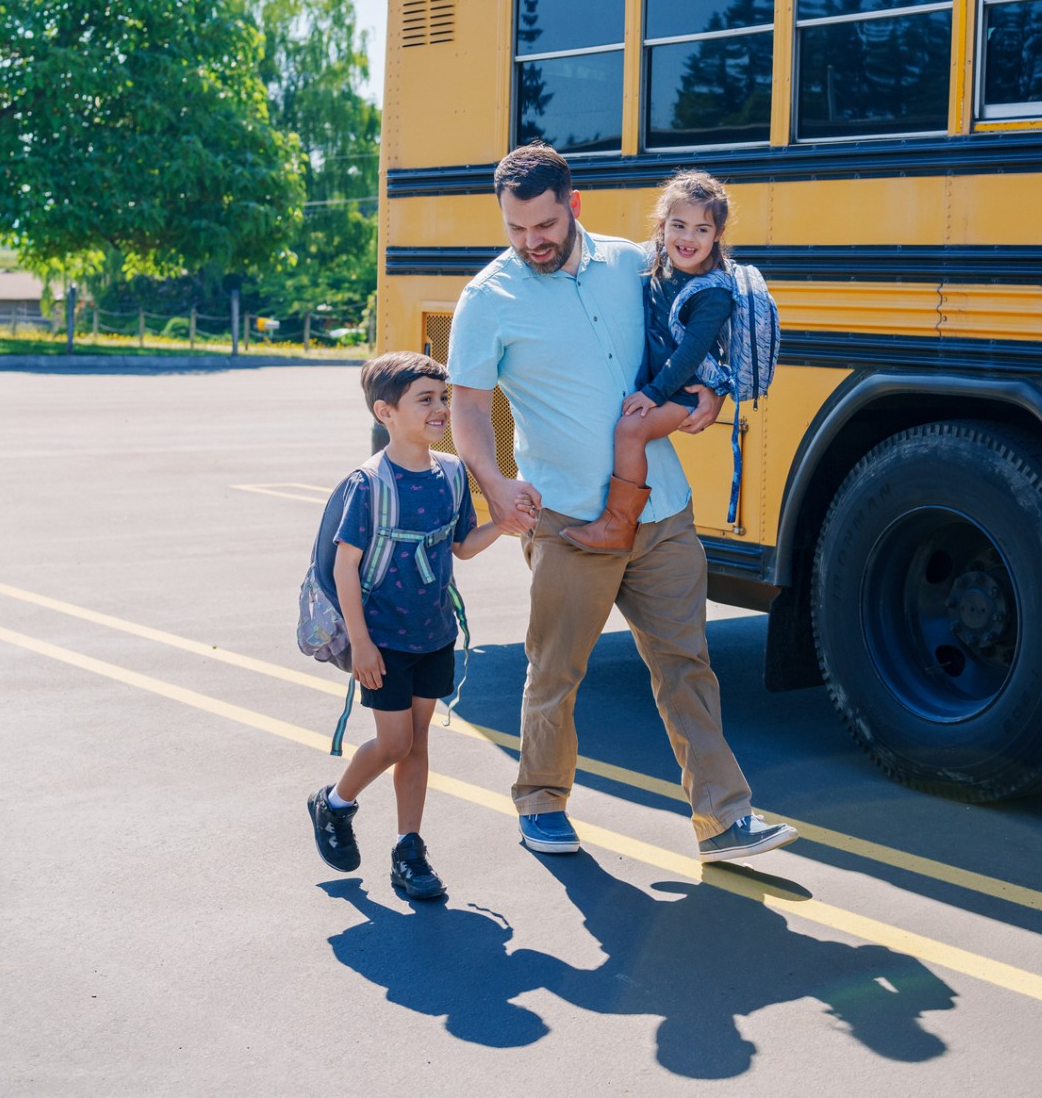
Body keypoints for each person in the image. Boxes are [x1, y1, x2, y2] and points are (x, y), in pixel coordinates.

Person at [449, 143, 798, 865]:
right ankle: (541, 800)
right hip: (568, 516)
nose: (530, 242)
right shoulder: (488, 298)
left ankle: (723, 818)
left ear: (572, 206)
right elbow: (469, 407)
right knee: (555, 669)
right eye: (515, 229)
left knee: (687, 665)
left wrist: (709, 390)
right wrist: (494, 481)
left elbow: (698, 327)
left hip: (661, 509)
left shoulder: (634, 264)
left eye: (543, 225)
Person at [307, 352, 506, 900]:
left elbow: (461, 548)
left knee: (417, 743)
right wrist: (363, 645)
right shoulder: (368, 483)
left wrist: (503, 524)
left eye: (442, 398)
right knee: (394, 743)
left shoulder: (451, 474)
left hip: (435, 633)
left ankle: (409, 849)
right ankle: (335, 802)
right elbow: (346, 567)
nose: (441, 409)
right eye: (426, 400)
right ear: (385, 412)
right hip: (385, 639)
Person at [562, 170, 736, 555]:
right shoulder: (657, 260)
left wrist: (654, 393)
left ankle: (618, 525)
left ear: (717, 235)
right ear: (662, 225)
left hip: (684, 390)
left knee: (630, 431)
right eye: (678, 225)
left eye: (701, 230)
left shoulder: (713, 293)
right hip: (662, 384)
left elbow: (691, 352)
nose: (687, 239)